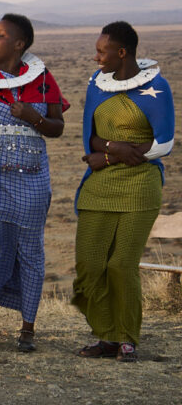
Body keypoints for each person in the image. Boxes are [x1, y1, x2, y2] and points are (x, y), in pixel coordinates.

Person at [0, 14, 67, 352]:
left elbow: (57, 126)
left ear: (19, 44)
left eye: (0, 36)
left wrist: (33, 117)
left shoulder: (42, 79)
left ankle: (28, 328)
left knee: (30, 249)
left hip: (30, 179)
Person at [72, 21, 174, 362]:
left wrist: (117, 154)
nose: (96, 57)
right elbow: (92, 138)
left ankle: (126, 338)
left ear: (122, 52)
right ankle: (107, 336)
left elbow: (164, 142)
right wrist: (118, 149)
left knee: (121, 265)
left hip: (141, 184)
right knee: (89, 263)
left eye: (102, 51)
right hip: (100, 182)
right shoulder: (96, 86)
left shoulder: (157, 87)